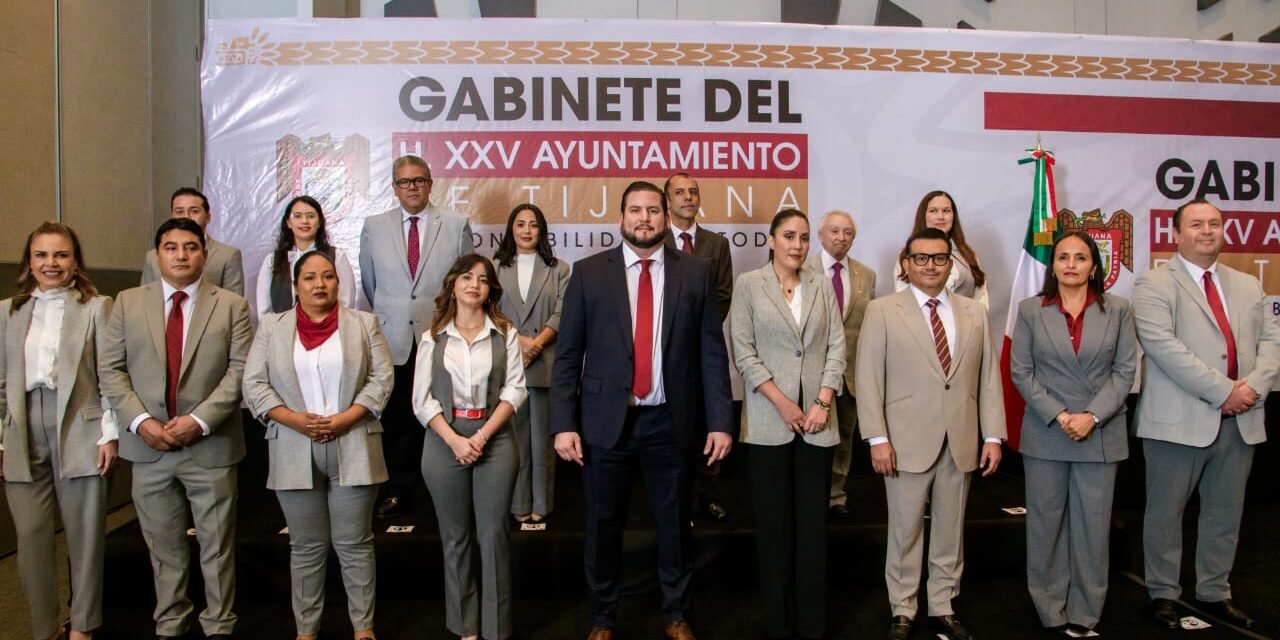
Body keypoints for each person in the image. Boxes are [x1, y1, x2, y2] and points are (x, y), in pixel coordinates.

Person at [550, 181, 734, 640]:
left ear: (667, 217)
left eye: (653, 210)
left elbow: (712, 352)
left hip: (670, 421)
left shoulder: (695, 272)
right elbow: (568, 355)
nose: (645, 219)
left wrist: (720, 422)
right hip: (604, 422)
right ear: (621, 218)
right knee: (602, 525)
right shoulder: (590, 273)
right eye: (635, 211)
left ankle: (676, 613)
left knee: (673, 525)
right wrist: (562, 424)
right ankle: (602, 618)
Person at [100, 217, 252, 640]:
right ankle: (170, 622)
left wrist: (199, 420)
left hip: (211, 444)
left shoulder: (231, 305)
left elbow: (240, 371)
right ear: (157, 254)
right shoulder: (127, 303)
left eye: (190, 247)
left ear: (204, 253)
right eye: (171, 247)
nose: (181, 255)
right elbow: (110, 370)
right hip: (149, 447)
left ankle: (219, 624)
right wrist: (141, 421)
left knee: (216, 546)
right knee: (163, 546)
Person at [1133, 198, 1280, 630]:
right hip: (1177, 424)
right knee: (1164, 515)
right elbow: (1164, 349)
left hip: (1241, 422)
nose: (1207, 231)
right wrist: (1223, 392)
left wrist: (1252, 387)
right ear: (1176, 234)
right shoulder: (1154, 285)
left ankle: (1215, 592)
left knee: (1224, 516)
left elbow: (1273, 343)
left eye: (1214, 224)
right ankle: (1163, 594)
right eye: (1196, 224)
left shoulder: (1249, 286)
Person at [857, 227, 1005, 640]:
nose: (930, 266)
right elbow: (868, 378)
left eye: (939, 258)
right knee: (905, 529)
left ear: (950, 263)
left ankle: (943, 604)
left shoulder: (973, 312)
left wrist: (993, 435)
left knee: (949, 528)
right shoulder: (883, 310)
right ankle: (902, 608)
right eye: (921, 258)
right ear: (906, 263)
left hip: (960, 440)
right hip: (903, 442)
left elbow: (988, 377)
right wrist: (877, 437)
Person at [243, 250, 392, 640]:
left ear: (338, 283)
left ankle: (363, 629)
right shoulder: (272, 328)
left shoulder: (363, 323)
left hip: (354, 441)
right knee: (306, 548)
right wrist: (295, 420)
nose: (320, 284)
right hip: (293, 445)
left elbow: (381, 379)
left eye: (327, 276)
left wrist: (345, 418)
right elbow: (254, 384)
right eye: (309, 278)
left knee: (355, 544)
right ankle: (306, 631)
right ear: (295, 286)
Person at [1010, 231, 1138, 638]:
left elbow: (1124, 372)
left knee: (1092, 526)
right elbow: (1021, 372)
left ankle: (1086, 610)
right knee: (1045, 524)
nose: (1070, 264)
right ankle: (1050, 607)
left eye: (1080, 257)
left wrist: (1092, 417)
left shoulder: (1118, 310)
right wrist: (1062, 414)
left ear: (1094, 266)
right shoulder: (1032, 310)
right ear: (1054, 266)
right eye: (1063, 257)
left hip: (1099, 434)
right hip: (1048, 432)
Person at [730, 209, 845, 640]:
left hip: (818, 424)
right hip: (767, 425)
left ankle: (812, 627)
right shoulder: (748, 285)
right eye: (788, 236)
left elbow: (837, 347)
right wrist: (783, 403)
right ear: (772, 240)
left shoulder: (820, 285)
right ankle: (778, 627)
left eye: (802, 237)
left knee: (812, 534)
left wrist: (821, 402)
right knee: (775, 534)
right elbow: (743, 353)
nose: (797, 245)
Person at [1, 222, 118, 640]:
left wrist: (110, 433)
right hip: (22, 429)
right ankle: (43, 629)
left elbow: (109, 376)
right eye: (42, 255)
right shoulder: (7, 311)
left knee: (85, 537)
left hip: (80, 428)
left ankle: (83, 627)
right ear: (29, 262)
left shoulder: (97, 307)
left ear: (75, 261)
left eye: (61, 255)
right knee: (31, 539)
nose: (51, 264)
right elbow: (0, 383)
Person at [413, 254, 526, 640]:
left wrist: (479, 437)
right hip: (445, 440)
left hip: (493, 437)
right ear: (453, 285)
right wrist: (455, 440)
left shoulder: (505, 332)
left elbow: (515, 390)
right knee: (455, 538)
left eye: (482, 278)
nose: (474, 284)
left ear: (491, 288)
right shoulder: (433, 336)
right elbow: (421, 400)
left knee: (493, 535)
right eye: (466, 277)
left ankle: (496, 630)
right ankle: (466, 628)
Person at [359, 154, 474, 519]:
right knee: (395, 423)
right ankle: (397, 490)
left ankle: (441, 490)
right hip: (392, 343)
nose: (412, 187)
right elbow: (370, 283)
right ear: (394, 187)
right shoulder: (374, 227)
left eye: (419, 180)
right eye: (405, 182)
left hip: (440, 340)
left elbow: (467, 285)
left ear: (430, 183)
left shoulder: (455, 225)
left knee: (440, 419)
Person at [662, 172, 734, 523]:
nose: (688, 197)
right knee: (675, 431)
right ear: (668, 201)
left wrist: (697, 333)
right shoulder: (656, 240)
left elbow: (723, 296)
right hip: (664, 354)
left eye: (693, 192)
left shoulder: (716, 244)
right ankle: (680, 502)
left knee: (709, 425)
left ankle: (709, 496)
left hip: (702, 350)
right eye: (680, 192)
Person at [494, 203, 569, 525]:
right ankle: (518, 503)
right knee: (514, 441)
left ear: (542, 231)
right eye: (520, 224)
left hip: (546, 362)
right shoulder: (495, 267)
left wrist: (537, 344)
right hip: (507, 362)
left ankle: (542, 503)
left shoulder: (559, 268)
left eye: (533, 225)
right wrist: (520, 342)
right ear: (511, 229)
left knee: (542, 443)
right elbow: (488, 311)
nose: (526, 230)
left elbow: (563, 312)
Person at [804, 209, 875, 518]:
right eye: (834, 231)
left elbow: (868, 327)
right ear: (820, 235)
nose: (841, 237)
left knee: (844, 437)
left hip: (850, 373)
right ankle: (809, 495)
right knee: (811, 439)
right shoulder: (802, 270)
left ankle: (835, 497)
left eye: (847, 232)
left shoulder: (866, 274)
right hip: (811, 373)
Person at [254, 195, 362, 318]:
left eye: (311, 216)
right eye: (297, 216)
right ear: (288, 222)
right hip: (282, 334)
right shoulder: (272, 260)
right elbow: (264, 311)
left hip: (328, 333)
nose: (304, 221)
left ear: (320, 221)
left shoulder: (337, 257)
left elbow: (346, 304)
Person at [141, 187, 245, 296]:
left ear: (208, 217)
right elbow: (145, 299)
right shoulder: (152, 256)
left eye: (194, 211)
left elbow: (234, 305)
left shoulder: (228, 255)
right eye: (179, 211)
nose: (187, 216)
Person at [893, 190, 988, 308]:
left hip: (966, 324)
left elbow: (981, 298)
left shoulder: (968, 255)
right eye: (933, 211)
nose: (940, 217)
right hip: (920, 323)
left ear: (953, 216)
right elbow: (903, 298)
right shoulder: (906, 255)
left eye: (946, 211)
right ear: (923, 216)